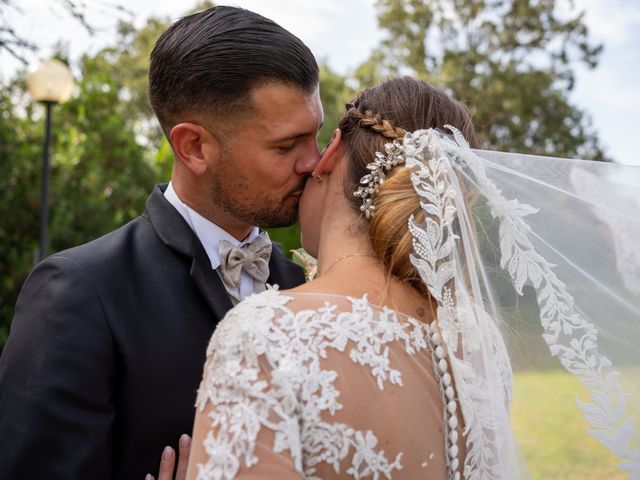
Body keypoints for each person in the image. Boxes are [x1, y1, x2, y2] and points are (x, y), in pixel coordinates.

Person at [163, 76, 640, 479]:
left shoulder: (267, 334)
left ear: (332, 153)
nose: (304, 164)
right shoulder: (475, 341)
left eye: (312, 145)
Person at [0, 6, 323, 478]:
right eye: (285, 146)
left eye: (315, 135)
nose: (313, 163)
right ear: (193, 147)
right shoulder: (79, 292)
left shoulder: (308, 284)